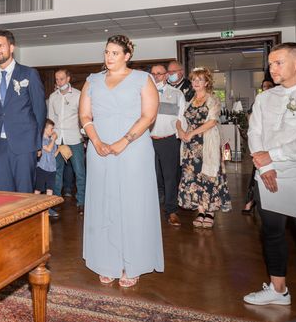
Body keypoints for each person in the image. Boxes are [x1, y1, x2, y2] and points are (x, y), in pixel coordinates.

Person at [79, 35, 162, 288]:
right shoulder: (92, 81)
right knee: (103, 201)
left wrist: (123, 141)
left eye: (115, 53)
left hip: (133, 148)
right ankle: (106, 261)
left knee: (132, 203)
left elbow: (149, 115)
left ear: (127, 56)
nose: (109, 57)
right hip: (99, 149)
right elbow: (84, 115)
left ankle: (133, 262)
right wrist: (96, 141)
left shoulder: (142, 79)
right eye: (106, 52)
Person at [243, 43, 296, 306]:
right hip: (267, 176)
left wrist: (274, 155)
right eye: (270, 63)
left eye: (278, 62)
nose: (272, 68)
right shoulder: (265, 97)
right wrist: (264, 166)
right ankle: (279, 290)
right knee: (273, 232)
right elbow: (254, 132)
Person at [0, 30, 47, 193]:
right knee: (4, 195)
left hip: (25, 144)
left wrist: (37, 142)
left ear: (11, 47)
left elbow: (40, 110)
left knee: (24, 193)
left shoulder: (28, 73)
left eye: (0, 45)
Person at [177, 67, 231, 229]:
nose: (196, 82)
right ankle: (200, 211)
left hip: (206, 142)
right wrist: (181, 132)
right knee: (193, 177)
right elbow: (179, 119)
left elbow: (212, 121)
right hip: (189, 146)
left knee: (208, 175)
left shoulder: (212, 99)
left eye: (200, 79)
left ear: (207, 82)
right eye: (194, 79)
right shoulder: (189, 100)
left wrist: (192, 133)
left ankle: (210, 212)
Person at [149, 63, 186, 227]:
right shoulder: (144, 94)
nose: (156, 76)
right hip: (147, 141)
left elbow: (181, 118)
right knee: (151, 177)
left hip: (169, 140)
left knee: (170, 177)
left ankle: (171, 211)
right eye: (153, 73)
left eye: (159, 73)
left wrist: (181, 138)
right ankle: (151, 211)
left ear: (166, 75)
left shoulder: (177, 94)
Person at [48, 68, 87, 215]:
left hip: (74, 138)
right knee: (56, 172)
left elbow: (83, 117)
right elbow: (51, 119)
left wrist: (83, 134)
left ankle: (81, 202)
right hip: (58, 139)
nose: (59, 82)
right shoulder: (53, 97)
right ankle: (56, 201)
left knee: (79, 172)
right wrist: (51, 137)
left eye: (62, 79)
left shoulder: (78, 95)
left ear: (68, 79)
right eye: (57, 79)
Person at [243, 77, 275, 214]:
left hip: (274, 145)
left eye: (269, 86)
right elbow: (250, 117)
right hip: (260, 144)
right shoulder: (260, 100)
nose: (266, 88)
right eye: (264, 86)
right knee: (256, 172)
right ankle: (250, 201)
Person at [35, 119, 59, 218]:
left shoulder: (51, 141)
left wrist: (60, 149)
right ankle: (34, 207)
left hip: (51, 168)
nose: (53, 131)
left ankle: (48, 209)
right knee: (38, 188)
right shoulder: (41, 140)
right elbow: (48, 149)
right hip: (42, 167)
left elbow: (53, 154)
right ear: (44, 129)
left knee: (50, 189)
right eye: (51, 128)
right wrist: (53, 139)